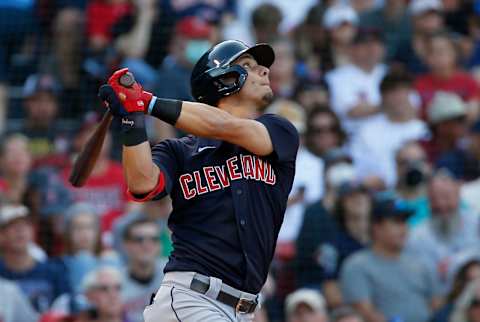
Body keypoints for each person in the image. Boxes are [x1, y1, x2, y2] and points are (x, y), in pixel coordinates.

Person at [96, 40, 299, 322]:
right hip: (190, 299)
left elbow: (223, 126)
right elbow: (142, 184)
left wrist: (149, 103)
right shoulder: (179, 151)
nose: (264, 71)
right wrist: (133, 119)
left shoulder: (280, 130)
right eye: (248, 67)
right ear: (222, 81)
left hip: (244, 310)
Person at [340, 196, 442, 322]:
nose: (404, 228)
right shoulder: (357, 265)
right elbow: (364, 311)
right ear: (376, 227)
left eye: (405, 222)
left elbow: (436, 305)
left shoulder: (420, 264)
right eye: (397, 222)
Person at [296, 181, 371, 309]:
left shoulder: (381, 240)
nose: (359, 199)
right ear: (341, 203)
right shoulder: (333, 246)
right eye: (351, 196)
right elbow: (331, 294)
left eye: (363, 195)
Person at [351, 70, 428, 188]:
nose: (398, 97)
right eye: (392, 92)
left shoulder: (423, 129)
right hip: (380, 195)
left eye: (402, 91)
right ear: (382, 97)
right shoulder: (366, 132)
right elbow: (358, 169)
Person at [407, 172, 480, 294]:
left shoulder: (475, 221)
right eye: (434, 199)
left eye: (446, 197)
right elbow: (428, 277)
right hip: (443, 299)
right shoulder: (418, 235)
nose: (441, 205)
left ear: (458, 193)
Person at [0, 204, 70, 313]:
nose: (20, 230)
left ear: (33, 231)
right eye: (12, 226)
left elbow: (66, 310)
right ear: (1, 235)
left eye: (25, 225)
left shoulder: (54, 272)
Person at [325, 28, 387, 135]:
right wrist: (392, 105)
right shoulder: (336, 77)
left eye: (376, 43)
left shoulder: (390, 73)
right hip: (354, 137)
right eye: (365, 44)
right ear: (351, 49)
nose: (372, 48)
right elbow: (351, 111)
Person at [415, 31, 480, 121]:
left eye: (442, 50)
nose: (437, 55)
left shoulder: (469, 82)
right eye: (431, 51)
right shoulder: (417, 84)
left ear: (454, 53)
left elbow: (473, 113)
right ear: (425, 57)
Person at [121, 217, 167, 322]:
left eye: (153, 239)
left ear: (160, 245)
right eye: (139, 239)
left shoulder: (172, 275)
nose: (147, 245)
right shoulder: (114, 283)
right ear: (126, 245)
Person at [394, 141, 431, 227]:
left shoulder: (442, 202)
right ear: (396, 168)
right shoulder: (384, 202)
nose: (413, 167)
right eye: (405, 162)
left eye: (419, 161)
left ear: (428, 166)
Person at [0, 134, 33, 204]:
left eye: (23, 151)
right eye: (12, 152)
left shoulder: (39, 185)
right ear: (1, 159)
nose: (18, 156)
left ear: (30, 157)